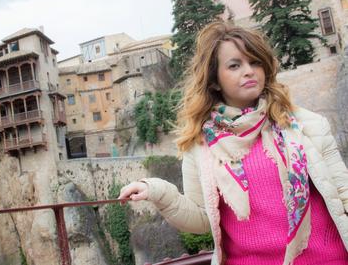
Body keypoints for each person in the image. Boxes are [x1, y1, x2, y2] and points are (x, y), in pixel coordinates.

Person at [118, 22, 348, 265]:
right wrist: (157, 191)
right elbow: (203, 219)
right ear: (215, 80)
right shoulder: (200, 144)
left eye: (255, 62)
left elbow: (343, 193)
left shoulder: (306, 125)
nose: (249, 71)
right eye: (235, 65)